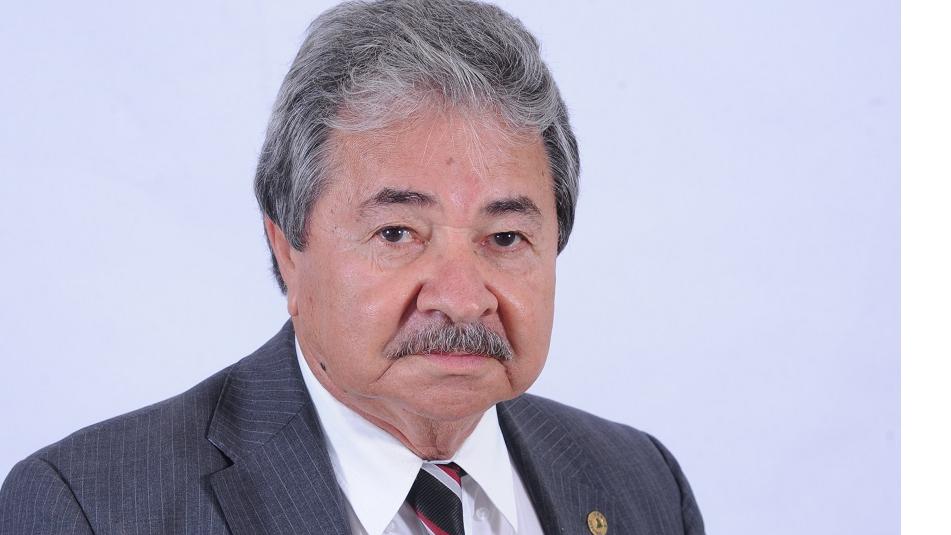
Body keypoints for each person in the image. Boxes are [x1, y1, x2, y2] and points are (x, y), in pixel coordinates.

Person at [0, 1, 704, 533]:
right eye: (397, 233)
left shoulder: (641, 483)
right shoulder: (89, 507)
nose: (462, 298)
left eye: (505, 236)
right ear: (288, 250)